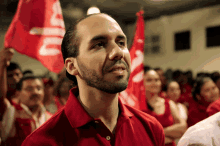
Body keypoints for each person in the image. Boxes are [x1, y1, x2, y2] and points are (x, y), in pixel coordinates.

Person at [21, 13, 165, 146]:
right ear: (72, 66)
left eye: (121, 43)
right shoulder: (42, 142)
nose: (118, 52)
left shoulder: (151, 128)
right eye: (99, 44)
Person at [0, 73, 52, 146]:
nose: (35, 92)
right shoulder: (10, 112)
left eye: (39, 88)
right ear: (18, 93)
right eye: (29, 89)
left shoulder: (50, 117)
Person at [143, 69, 187, 146]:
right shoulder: (137, 105)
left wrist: (157, 133)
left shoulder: (169, 103)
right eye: (149, 80)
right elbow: (140, 135)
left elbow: (183, 128)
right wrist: (170, 134)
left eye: (157, 80)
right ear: (142, 83)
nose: (154, 83)